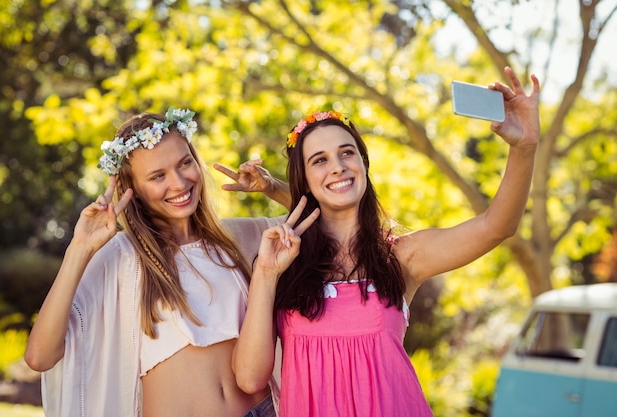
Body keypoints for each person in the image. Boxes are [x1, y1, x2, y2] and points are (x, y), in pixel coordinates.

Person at [232, 66, 541, 416]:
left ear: (363, 163)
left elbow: (496, 226)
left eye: (346, 153)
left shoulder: (402, 256)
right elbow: (249, 378)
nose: (337, 167)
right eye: (319, 160)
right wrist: (266, 273)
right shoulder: (284, 264)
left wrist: (525, 148)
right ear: (304, 177)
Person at [24, 107, 291, 417]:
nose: (178, 183)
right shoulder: (122, 257)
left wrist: (272, 187)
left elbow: (323, 215)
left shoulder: (235, 237)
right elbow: (40, 356)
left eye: (184, 163)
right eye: (158, 176)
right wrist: (80, 248)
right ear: (134, 191)